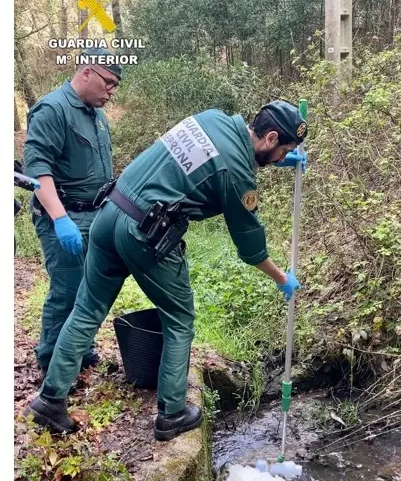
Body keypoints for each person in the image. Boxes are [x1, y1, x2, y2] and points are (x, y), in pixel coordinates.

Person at [25, 100, 309, 441]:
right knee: (179, 319)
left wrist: (276, 161)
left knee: (86, 310)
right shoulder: (238, 174)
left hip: (109, 214)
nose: (281, 158)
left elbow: (205, 161)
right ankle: (172, 414)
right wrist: (282, 279)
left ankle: (50, 400)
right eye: (283, 151)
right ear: (271, 137)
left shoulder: (211, 116)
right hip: (143, 233)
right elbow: (250, 249)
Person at [23, 47, 124, 378]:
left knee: (91, 287)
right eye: (108, 83)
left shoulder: (96, 115)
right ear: (86, 72)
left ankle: (79, 348)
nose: (110, 92)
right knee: (67, 289)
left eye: (115, 87)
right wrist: (60, 218)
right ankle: (51, 359)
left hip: (95, 215)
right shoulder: (52, 109)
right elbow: (39, 169)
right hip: (62, 217)